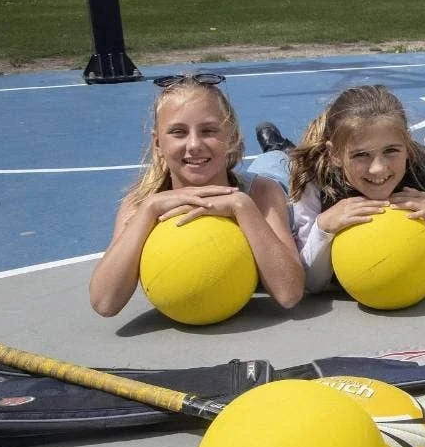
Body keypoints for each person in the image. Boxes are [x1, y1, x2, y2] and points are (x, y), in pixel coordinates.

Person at [89, 73, 305, 317]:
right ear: (157, 144)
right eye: (178, 132)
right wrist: (149, 210)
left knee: (280, 164)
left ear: (231, 137)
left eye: (208, 130)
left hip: (276, 179)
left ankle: (278, 149)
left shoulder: (261, 193)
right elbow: (105, 303)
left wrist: (242, 207)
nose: (194, 145)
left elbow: (289, 294)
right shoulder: (141, 203)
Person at [256, 85, 425, 293]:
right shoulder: (313, 178)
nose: (378, 169)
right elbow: (312, 283)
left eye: (391, 150)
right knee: (275, 167)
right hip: (295, 167)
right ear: (335, 154)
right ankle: (275, 148)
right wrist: (323, 227)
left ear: (408, 145)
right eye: (361, 155)